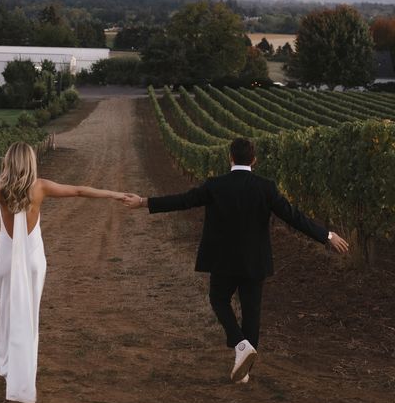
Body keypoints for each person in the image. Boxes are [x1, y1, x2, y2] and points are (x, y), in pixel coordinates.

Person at [121, 137, 349, 383]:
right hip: (255, 262)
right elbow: (293, 217)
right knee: (252, 313)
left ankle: (240, 346)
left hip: (223, 260)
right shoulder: (266, 187)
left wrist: (143, 202)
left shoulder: (216, 185)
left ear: (230, 157)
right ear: (254, 160)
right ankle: (245, 369)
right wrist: (326, 235)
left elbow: (182, 201)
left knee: (218, 299)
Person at [0, 142, 136, 403]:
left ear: (8, 163)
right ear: (31, 162)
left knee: (6, 310)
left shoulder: (0, 190)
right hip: (33, 259)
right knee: (28, 316)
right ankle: (23, 372)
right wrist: (114, 194)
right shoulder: (41, 187)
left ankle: (5, 358)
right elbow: (80, 190)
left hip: (5, 259)